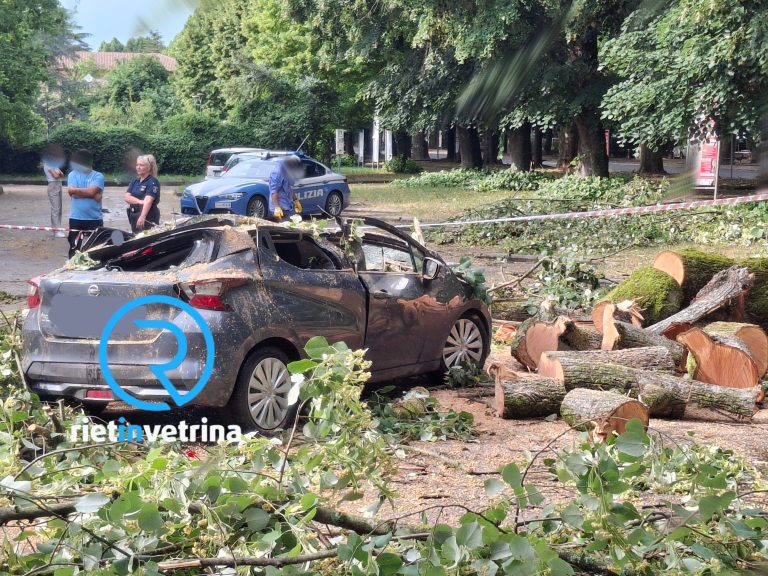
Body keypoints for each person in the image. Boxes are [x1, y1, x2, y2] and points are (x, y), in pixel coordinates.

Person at [66, 149, 105, 258]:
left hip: (94, 218)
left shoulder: (98, 176)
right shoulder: (72, 175)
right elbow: (73, 193)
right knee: (74, 248)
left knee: (95, 249)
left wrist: (76, 190)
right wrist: (91, 193)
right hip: (76, 218)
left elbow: (90, 191)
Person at [124, 154, 161, 233]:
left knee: (147, 240)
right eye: (137, 165)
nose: (138, 167)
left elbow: (148, 201)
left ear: (149, 167)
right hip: (134, 215)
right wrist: (139, 201)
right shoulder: (135, 181)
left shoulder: (152, 181)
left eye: (141, 165)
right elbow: (127, 197)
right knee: (136, 239)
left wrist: (142, 216)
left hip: (147, 216)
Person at [42, 145, 67, 238]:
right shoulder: (48, 164)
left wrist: (58, 173)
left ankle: (56, 229)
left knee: (59, 209)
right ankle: (56, 231)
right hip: (53, 185)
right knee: (55, 209)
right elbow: (56, 175)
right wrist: (58, 173)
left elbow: (61, 173)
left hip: (58, 185)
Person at [268, 155, 303, 221]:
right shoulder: (277, 172)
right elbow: (274, 191)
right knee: (286, 229)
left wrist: (296, 200)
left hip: (287, 206)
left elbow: (288, 188)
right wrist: (277, 207)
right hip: (280, 209)